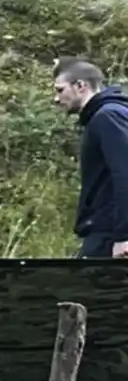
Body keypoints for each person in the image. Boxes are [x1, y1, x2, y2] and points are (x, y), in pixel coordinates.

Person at [52, 58, 128, 259]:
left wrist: (124, 236)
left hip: (109, 236)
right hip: (105, 232)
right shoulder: (105, 116)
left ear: (80, 86)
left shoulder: (108, 116)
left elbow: (125, 173)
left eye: (60, 90)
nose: (56, 99)